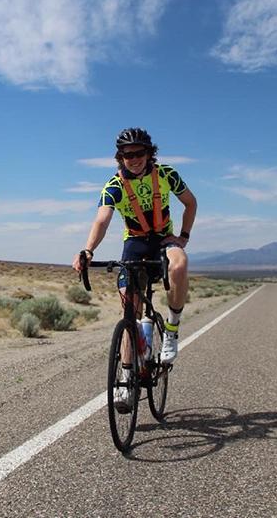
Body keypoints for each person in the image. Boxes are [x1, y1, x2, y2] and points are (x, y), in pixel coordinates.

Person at [72, 128, 197, 410]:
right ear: (121, 158)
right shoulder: (114, 185)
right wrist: (88, 250)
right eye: (128, 155)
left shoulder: (166, 175)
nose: (134, 159)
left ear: (149, 153)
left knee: (180, 264)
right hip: (136, 245)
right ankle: (127, 378)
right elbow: (101, 221)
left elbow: (190, 202)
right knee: (130, 308)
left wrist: (183, 237)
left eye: (139, 153)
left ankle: (172, 330)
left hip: (164, 240)